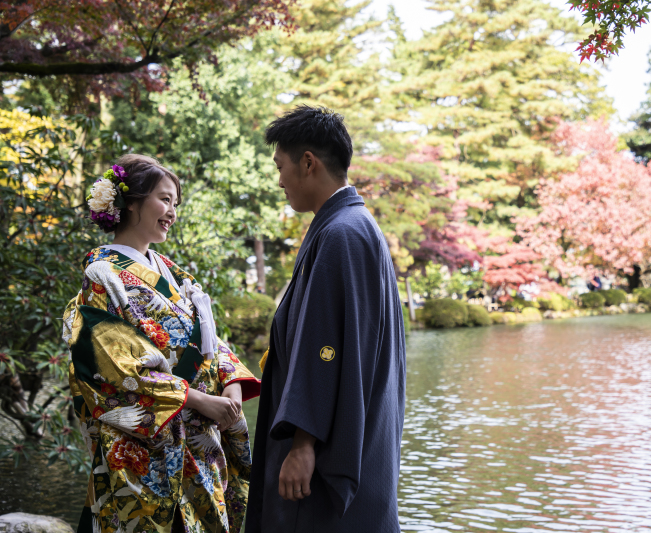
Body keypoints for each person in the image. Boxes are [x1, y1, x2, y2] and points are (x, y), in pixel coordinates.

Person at [62, 155, 261, 533]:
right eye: (165, 200)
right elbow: (112, 369)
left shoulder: (170, 270)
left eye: (175, 203)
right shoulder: (101, 276)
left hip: (200, 434)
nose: (172, 212)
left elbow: (207, 339)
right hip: (148, 444)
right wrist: (199, 400)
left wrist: (231, 383)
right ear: (130, 202)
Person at [245, 106, 406, 533]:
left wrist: (302, 443)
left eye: (281, 166)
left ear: (309, 162)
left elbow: (326, 347)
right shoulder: (352, 225)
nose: (279, 179)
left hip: (325, 447)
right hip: (350, 431)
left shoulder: (341, 234)